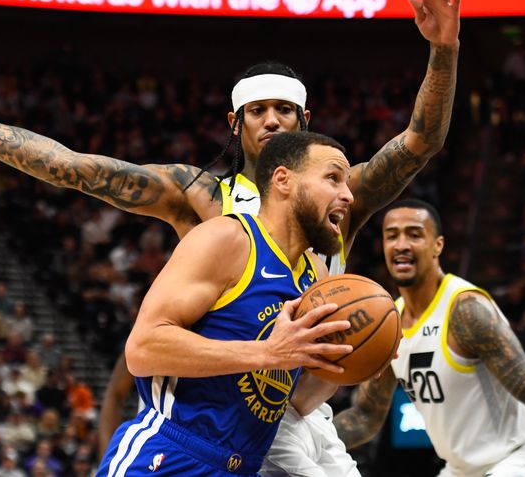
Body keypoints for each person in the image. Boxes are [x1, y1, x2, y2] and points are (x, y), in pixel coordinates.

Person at [0, 0, 460, 474]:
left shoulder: (335, 196)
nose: (273, 121)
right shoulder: (199, 196)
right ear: (236, 123)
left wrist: (443, 51)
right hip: (213, 406)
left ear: (307, 121)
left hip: (292, 408)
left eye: (286, 109)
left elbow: (420, 141)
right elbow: (70, 166)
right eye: (258, 110)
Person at [98, 131, 356, 476]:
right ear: (283, 180)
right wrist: (267, 353)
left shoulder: (317, 276)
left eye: (348, 183)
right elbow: (142, 349)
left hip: (242, 467)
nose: (348, 195)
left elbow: (291, 402)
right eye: (334, 178)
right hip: (168, 457)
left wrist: (353, 362)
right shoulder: (228, 239)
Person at [333, 199, 525, 477]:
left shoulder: (465, 310)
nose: (401, 244)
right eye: (392, 235)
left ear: (437, 245)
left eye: (414, 234)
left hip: (518, 459)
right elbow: (367, 415)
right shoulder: (388, 324)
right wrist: (311, 438)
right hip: (459, 469)